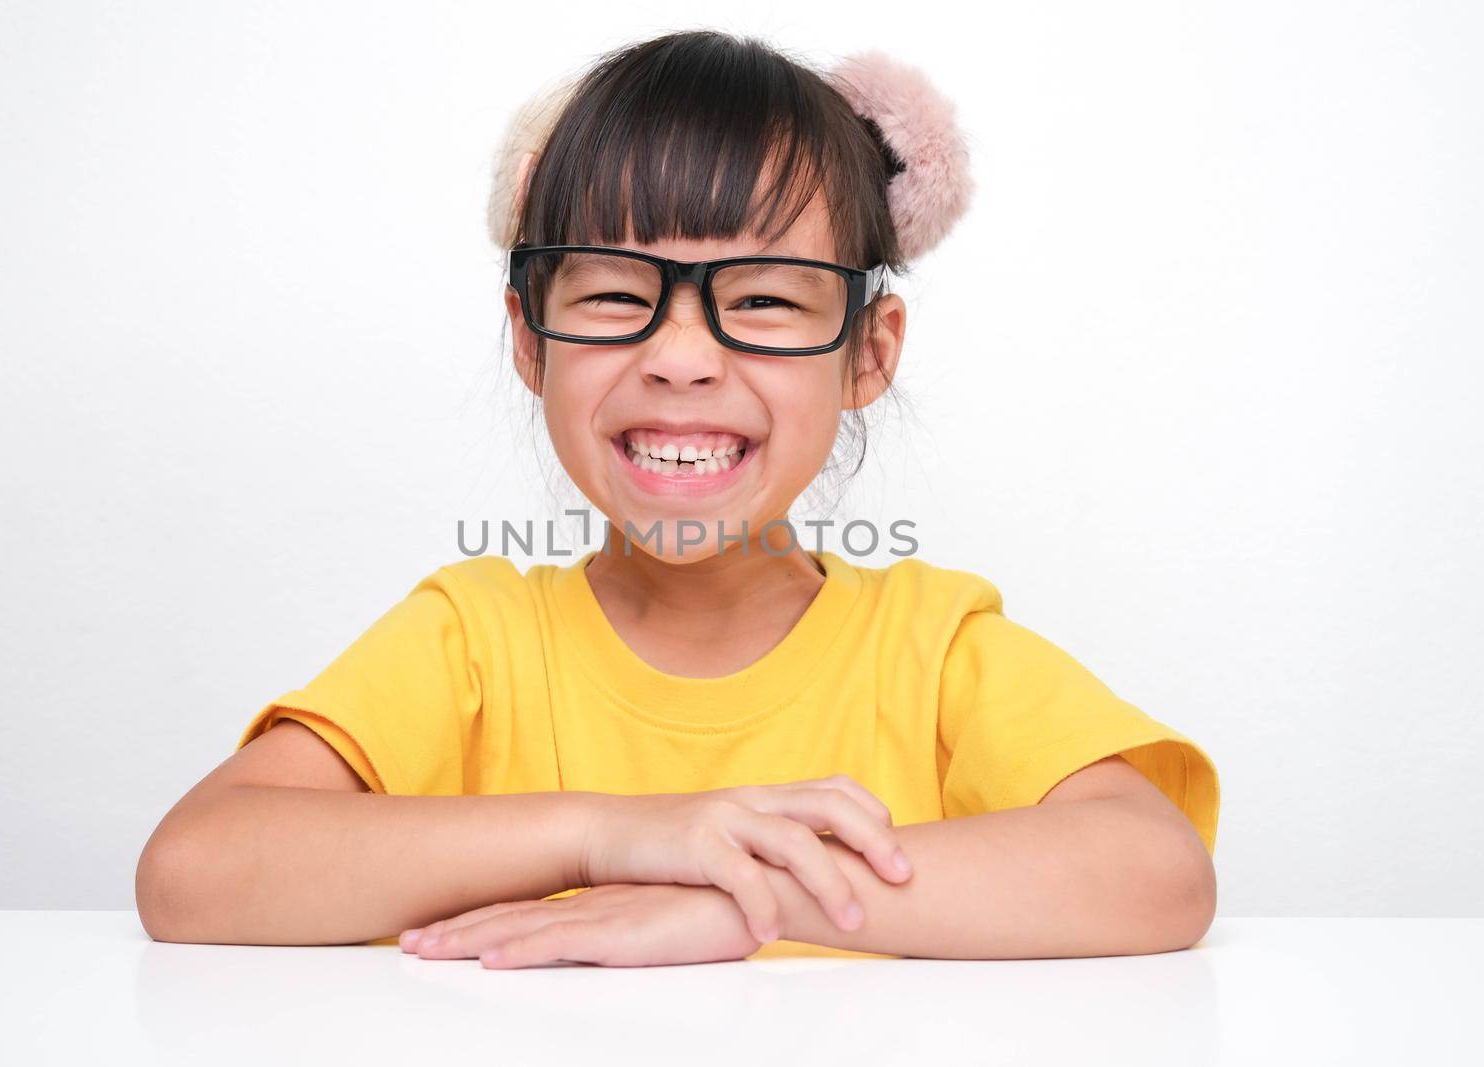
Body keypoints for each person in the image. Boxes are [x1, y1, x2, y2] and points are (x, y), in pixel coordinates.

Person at [136, 29, 1220, 967]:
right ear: (528, 337)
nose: (683, 357)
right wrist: (612, 832)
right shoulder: (473, 639)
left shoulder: (931, 647)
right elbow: (195, 871)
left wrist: (734, 899)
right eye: (614, 293)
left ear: (866, 352)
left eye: (762, 297)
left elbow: (1154, 868)